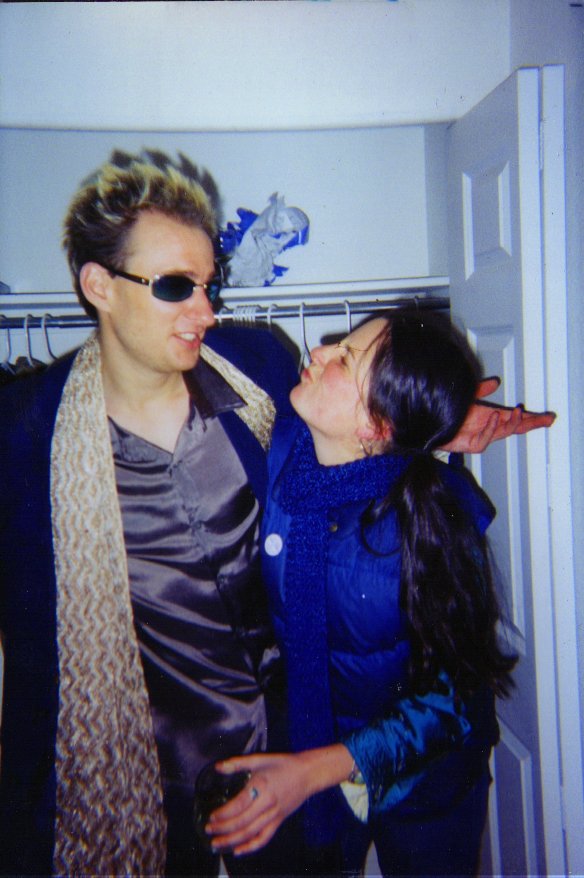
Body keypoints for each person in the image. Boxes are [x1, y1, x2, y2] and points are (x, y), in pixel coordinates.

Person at [0, 153, 553, 878]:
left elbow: (367, 426)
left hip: (292, 743)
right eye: (175, 286)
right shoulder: (23, 432)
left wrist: (435, 422)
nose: (207, 312)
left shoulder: (257, 366)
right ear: (99, 286)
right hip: (145, 763)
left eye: (209, 285)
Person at [204, 310, 522, 877]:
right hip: (318, 747)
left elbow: (452, 701)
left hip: (426, 778)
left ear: (377, 424)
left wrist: (317, 770)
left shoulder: (432, 525)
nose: (319, 351)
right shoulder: (278, 454)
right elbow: (221, 348)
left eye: (345, 358)